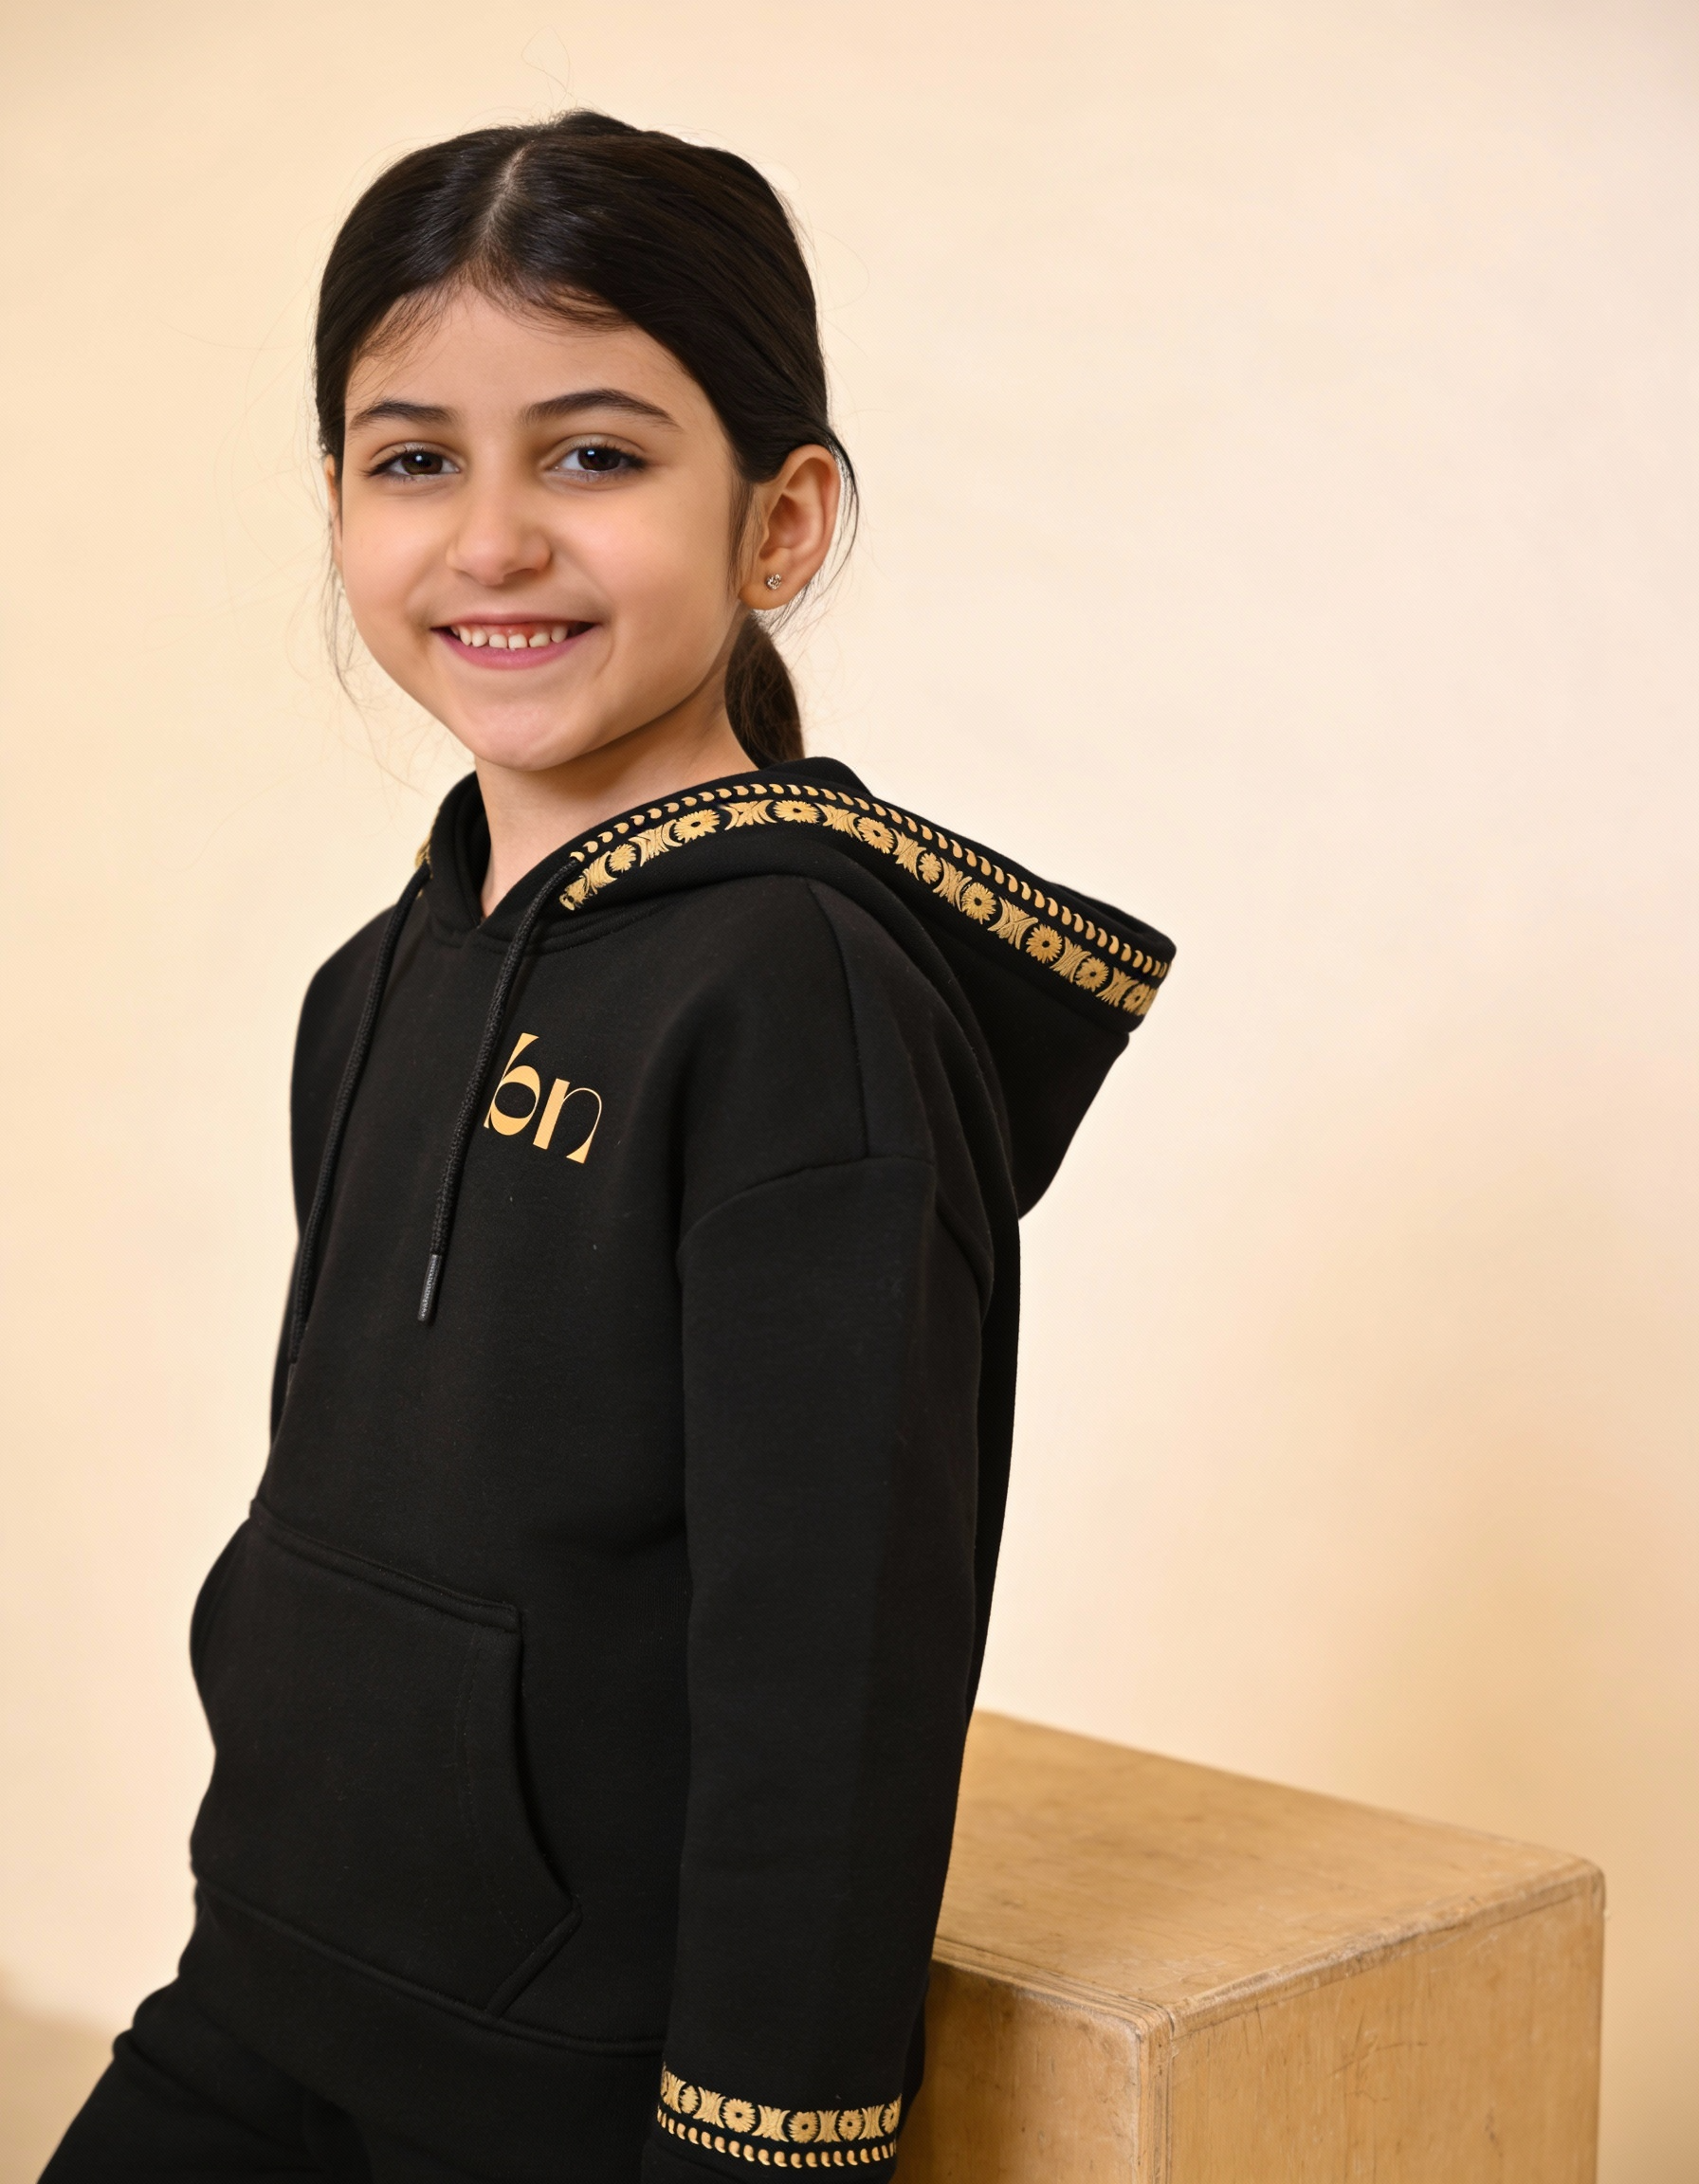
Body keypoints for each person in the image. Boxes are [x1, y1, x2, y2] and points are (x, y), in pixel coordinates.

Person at [45, 110, 1173, 2184]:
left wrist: (760, 2146)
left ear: (779, 523)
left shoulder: (801, 1010)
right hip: (264, 1995)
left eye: (590, 455)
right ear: (336, 503)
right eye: (413, 460)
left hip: (557, 2099)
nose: (490, 541)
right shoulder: (371, 981)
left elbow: (833, 1677)